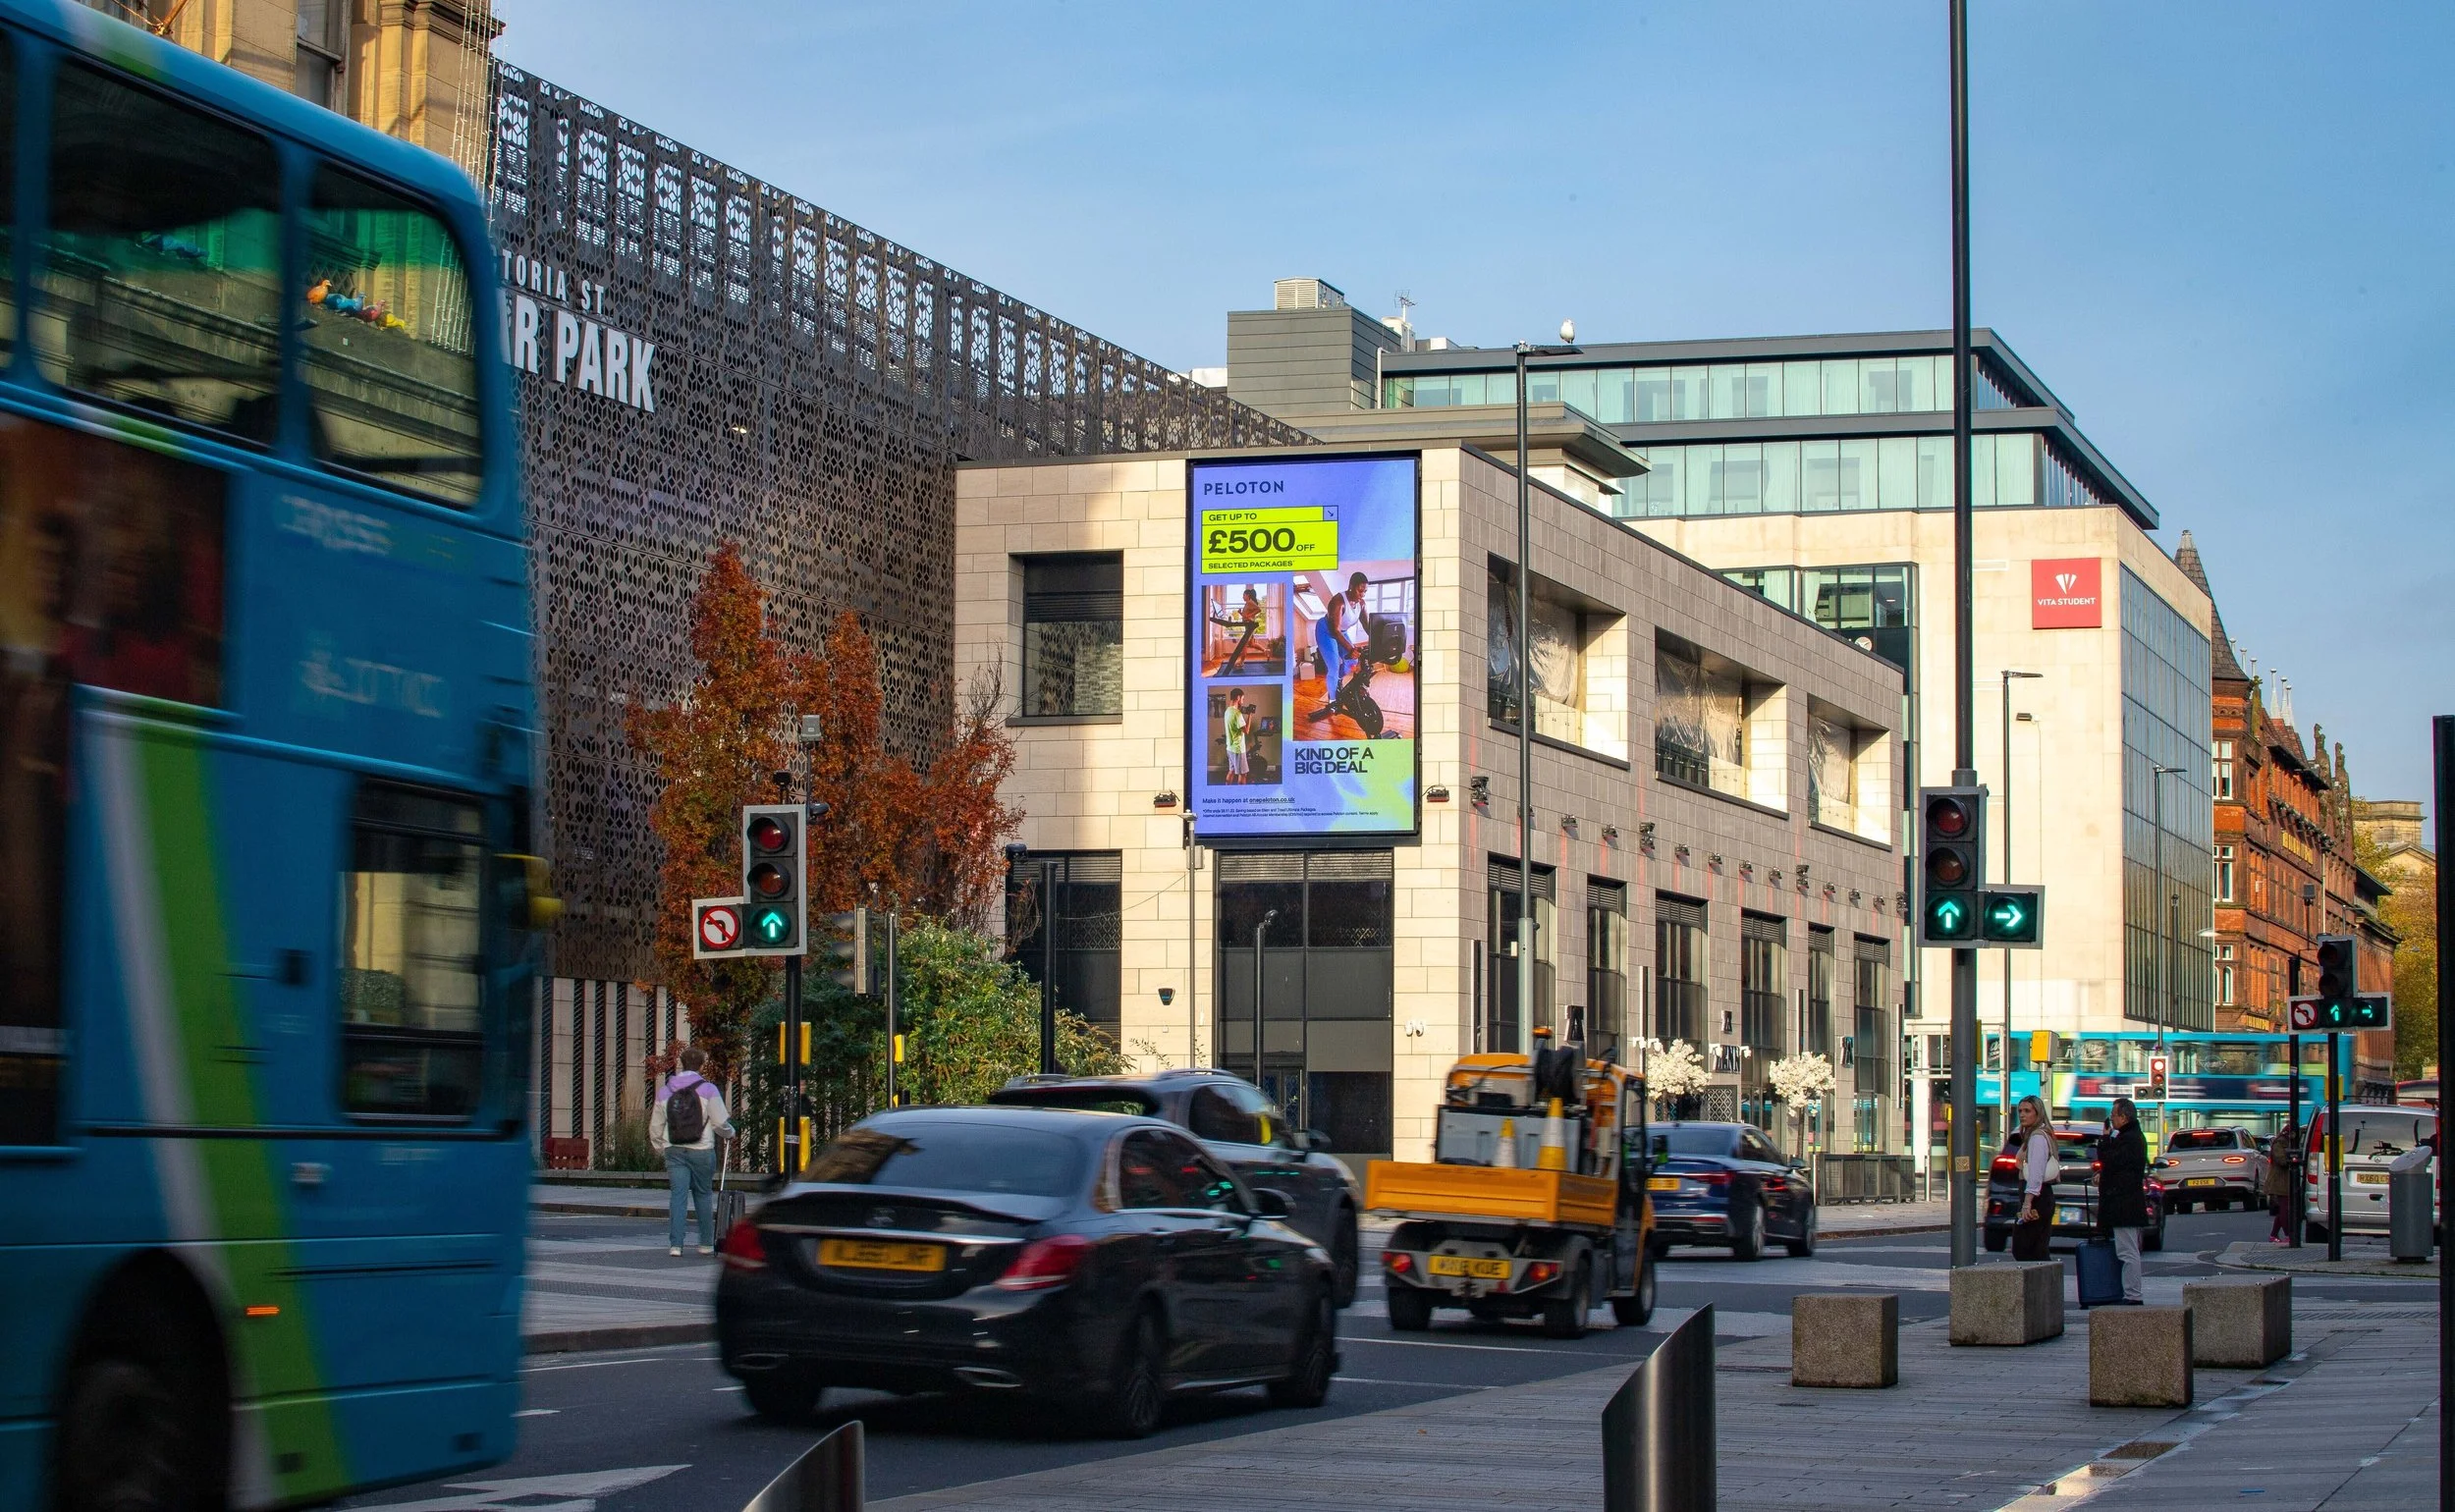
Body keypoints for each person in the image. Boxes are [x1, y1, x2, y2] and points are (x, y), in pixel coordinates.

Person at [649, 1046, 733, 1257]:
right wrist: (730, 1133)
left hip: (674, 1149)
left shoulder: (666, 1090)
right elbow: (720, 1122)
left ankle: (676, 1245)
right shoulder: (709, 1089)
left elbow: (656, 1126)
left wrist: (660, 1147)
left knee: (678, 1196)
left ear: (681, 1064)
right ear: (702, 1066)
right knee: (703, 1194)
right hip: (702, 1149)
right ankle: (705, 1243)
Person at [2097, 1097, 2149, 1303]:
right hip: (2125, 1203)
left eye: (2114, 1115)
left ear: (2124, 1117)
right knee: (2127, 1250)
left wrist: (2105, 1139)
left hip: (2124, 1205)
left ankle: (2133, 1294)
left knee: (2128, 1252)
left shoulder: (2129, 1139)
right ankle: (2130, 1293)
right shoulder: (2130, 1137)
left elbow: (2111, 1160)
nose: (2111, 1119)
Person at [1308, 570, 1371, 725]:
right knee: (1334, 667)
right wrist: (1350, 649)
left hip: (1341, 632)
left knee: (1351, 662)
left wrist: (1378, 639)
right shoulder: (1338, 601)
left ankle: (1337, 682)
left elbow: (1367, 626)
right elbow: (1335, 631)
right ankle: (1333, 703)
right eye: (1360, 590)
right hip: (1326, 631)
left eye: (1365, 591)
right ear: (1351, 586)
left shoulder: (1361, 604)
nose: (1362, 594)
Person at [2010, 1095, 2056, 1263]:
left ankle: (2044, 1279)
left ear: (2038, 1113)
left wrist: (2027, 1203)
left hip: (2036, 1198)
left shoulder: (2037, 1137)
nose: (2022, 1115)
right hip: (2039, 1197)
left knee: (2025, 1249)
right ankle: (2044, 1278)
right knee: (2036, 1249)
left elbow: (2036, 1172)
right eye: (2020, 1111)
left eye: (2027, 1111)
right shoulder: (2034, 1135)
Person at [1211, 586, 1265, 674]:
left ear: (1247, 595)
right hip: (1248, 626)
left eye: (1243, 595)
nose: (1242, 597)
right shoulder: (1247, 603)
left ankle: (1241, 663)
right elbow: (1245, 616)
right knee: (1252, 644)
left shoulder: (1250, 602)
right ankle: (1266, 651)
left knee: (1244, 645)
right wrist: (1241, 613)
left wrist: (1249, 615)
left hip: (1250, 626)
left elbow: (1258, 610)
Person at [2265, 1124, 2299, 1244]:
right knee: (2284, 1210)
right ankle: (2288, 1235)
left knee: (2283, 1211)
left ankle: (2273, 1235)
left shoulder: (2287, 1143)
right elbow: (2282, 1161)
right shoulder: (2280, 1143)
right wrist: (2292, 1157)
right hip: (2280, 1181)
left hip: (2286, 1181)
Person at [1222, 688, 1248, 783]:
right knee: (1243, 774)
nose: (1243, 701)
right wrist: (1250, 715)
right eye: (1242, 699)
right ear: (1238, 697)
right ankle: (1241, 792)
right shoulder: (1237, 714)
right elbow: (1246, 731)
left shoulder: (1227, 711)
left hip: (1230, 748)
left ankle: (1227, 789)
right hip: (1238, 749)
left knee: (1231, 771)